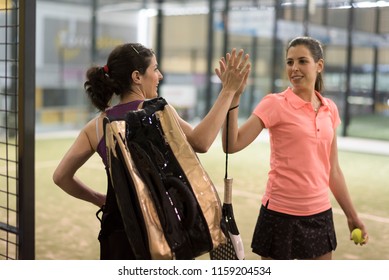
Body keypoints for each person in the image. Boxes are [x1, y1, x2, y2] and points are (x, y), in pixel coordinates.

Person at [52, 43, 250, 259]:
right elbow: (201, 142)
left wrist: (101, 199)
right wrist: (229, 90)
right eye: (155, 69)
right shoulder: (158, 111)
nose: (160, 75)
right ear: (137, 76)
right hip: (163, 230)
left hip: (117, 233)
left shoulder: (97, 126)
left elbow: (61, 177)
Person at [217, 36, 368, 260]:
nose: (294, 68)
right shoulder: (274, 103)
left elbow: (333, 170)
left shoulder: (330, 109)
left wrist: (351, 215)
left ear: (319, 66)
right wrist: (234, 95)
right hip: (279, 214)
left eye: (302, 61)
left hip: (319, 215)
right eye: (289, 62)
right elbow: (232, 144)